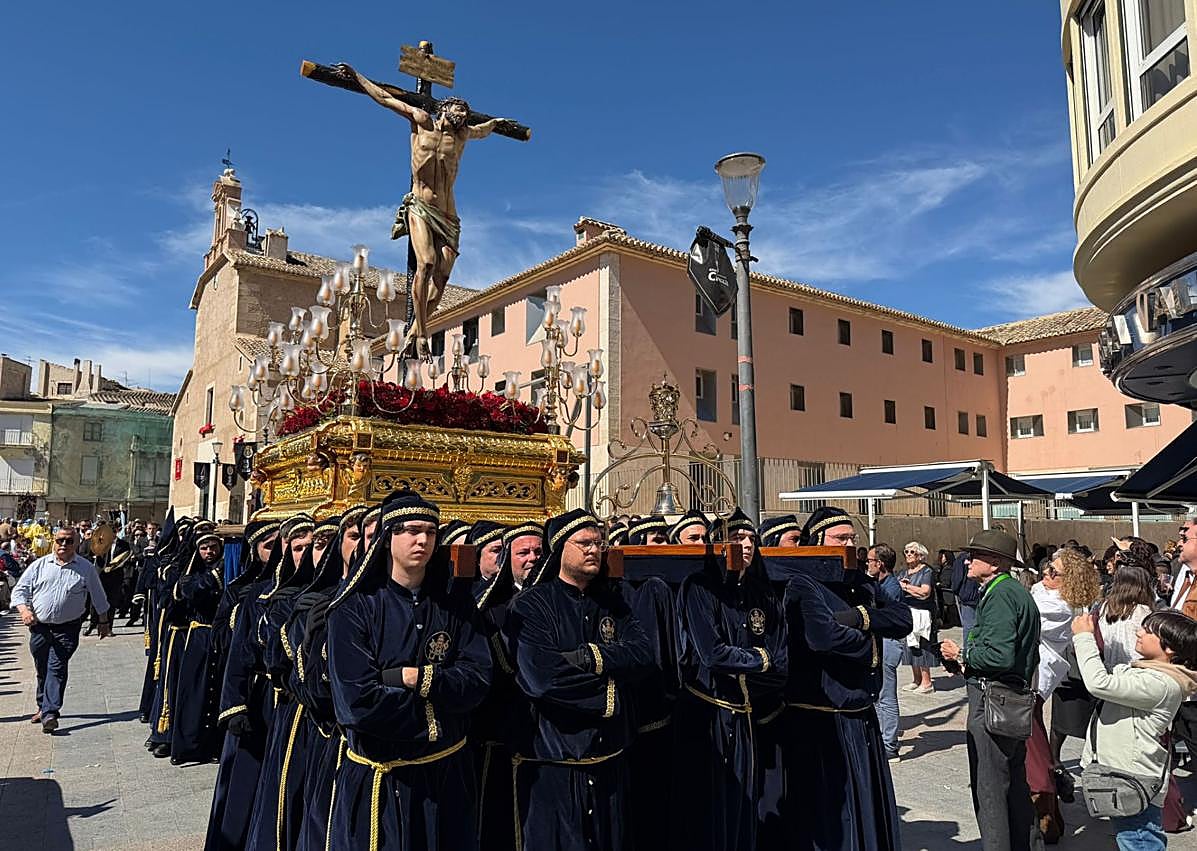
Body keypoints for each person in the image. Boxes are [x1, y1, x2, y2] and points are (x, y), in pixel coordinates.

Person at [326, 491, 492, 851]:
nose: (423, 540)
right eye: (412, 530)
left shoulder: (455, 606)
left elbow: (478, 681)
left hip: (448, 774)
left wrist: (411, 678)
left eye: (431, 532)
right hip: (384, 781)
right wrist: (440, 710)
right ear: (388, 537)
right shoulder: (353, 610)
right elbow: (358, 703)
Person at [505, 508, 654, 851]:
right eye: (584, 543)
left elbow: (643, 654)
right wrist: (612, 693)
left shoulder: (613, 604)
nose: (593, 550)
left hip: (608, 758)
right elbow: (542, 677)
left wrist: (590, 657)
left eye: (598, 543)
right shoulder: (532, 605)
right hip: (553, 761)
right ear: (560, 548)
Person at [768, 508, 911, 851]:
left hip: (858, 712)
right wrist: (873, 640)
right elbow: (823, 636)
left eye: (852, 538)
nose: (849, 544)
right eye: (840, 538)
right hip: (819, 717)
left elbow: (902, 616)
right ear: (818, 541)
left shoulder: (859, 582)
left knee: (862, 805)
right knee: (829, 811)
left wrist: (859, 616)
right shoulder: (803, 582)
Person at [672, 507, 787, 851]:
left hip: (746, 713)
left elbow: (780, 654)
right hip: (707, 714)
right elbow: (713, 653)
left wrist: (762, 662)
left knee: (745, 803)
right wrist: (759, 659)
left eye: (751, 538)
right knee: (709, 806)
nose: (747, 544)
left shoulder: (760, 592)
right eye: (738, 538)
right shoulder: (700, 588)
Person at [940, 530, 1043, 851]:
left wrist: (961, 655)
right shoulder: (1011, 591)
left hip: (994, 700)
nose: (967, 561)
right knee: (1012, 787)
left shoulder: (1001, 594)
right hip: (1009, 699)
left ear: (996, 563)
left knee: (991, 791)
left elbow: (999, 655)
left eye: (975, 555)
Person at [1071, 610, 1197, 850]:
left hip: (1133, 777)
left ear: (1169, 648)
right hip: (1125, 774)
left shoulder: (1161, 684)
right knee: (1133, 837)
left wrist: (1084, 638)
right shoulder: (1149, 673)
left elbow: (1100, 683)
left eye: (1148, 631)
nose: (1139, 632)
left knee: (1139, 840)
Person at [1027, 548, 1102, 842]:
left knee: (1035, 750)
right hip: (1034, 679)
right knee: (1035, 746)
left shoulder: (1060, 605)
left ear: (1069, 580)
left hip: (1035, 681)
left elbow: (1028, 615)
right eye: (1046, 570)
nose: (1046, 575)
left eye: (1053, 573)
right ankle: (1049, 810)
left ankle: (1047, 812)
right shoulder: (1045, 595)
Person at [11, 525, 111, 733]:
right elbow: (19, 590)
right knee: (42, 667)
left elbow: (99, 596)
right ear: (54, 541)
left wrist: (103, 621)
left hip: (68, 628)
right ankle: (43, 705)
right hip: (39, 628)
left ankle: (50, 713)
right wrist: (24, 611)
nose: (64, 544)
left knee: (56, 667)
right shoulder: (39, 565)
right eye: (60, 540)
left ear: (76, 543)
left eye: (69, 541)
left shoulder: (85, 568)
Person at [867, 543, 905, 762]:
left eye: (870, 561)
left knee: (886, 696)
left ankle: (890, 745)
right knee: (879, 695)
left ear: (879, 564)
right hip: (881, 641)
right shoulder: (880, 583)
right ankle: (882, 738)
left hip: (889, 643)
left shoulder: (889, 587)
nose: (867, 565)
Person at [897, 541, 939, 694]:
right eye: (906, 551)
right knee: (910, 646)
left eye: (912, 552)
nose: (908, 554)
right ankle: (916, 679)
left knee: (922, 646)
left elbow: (924, 593)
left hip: (923, 614)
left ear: (920, 556)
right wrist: (908, 589)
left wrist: (906, 587)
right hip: (908, 612)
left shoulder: (926, 572)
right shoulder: (904, 572)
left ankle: (927, 682)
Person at [468, 521, 508, 602]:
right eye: (496, 550)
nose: (503, 555)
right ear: (478, 558)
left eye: (506, 550)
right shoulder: (466, 593)